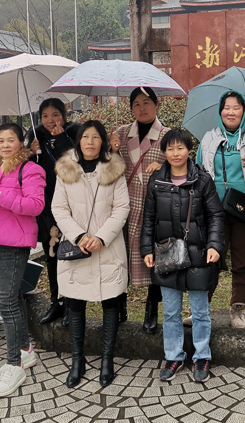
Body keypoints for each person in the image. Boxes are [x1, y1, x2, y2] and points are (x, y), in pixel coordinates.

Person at [140, 129, 225, 383]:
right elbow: (148, 219)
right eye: (170, 149)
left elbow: (216, 216)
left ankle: (202, 356)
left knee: (200, 311)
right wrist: (147, 249)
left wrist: (214, 245)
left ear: (189, 149)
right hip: (167, 254)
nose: (175, 153)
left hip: (199, 254)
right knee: (170, 312)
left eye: (180, 148)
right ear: (164, 152)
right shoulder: (157, 181)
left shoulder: (202, 180)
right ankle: (173, 356)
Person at [51, 120, 130, 388]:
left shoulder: (114, 170)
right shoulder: (66, 170)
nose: (90, 142)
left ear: (103, 141)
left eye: (96, 137)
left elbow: (122, 208)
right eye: (86, 136)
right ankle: (78, 360)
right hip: (77, 248)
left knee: (110, 302)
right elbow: (59, 208)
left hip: (108, 249)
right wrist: (79, 236)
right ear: (79, 140)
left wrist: (101, 237)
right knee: (75, 304)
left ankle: (107, 360)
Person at [0, 122, 46, 397]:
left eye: (10, 140)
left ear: (21, 142)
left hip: (14, 244)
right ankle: (25, 350)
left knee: (6, 302)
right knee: (12, 299)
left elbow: (36, 205)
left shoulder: (31, 169)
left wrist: (1, 197)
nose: (5, 145)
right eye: (0, 140)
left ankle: (14, 364)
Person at [197, 90, 245, 329]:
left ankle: (238, 307)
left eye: (236, 107)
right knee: (209, 259)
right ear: (220, 111)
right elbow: (198, 170)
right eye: (226, 107)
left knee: (243, 260)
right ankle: (200, 308)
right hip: (214, 210)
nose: (231, 112)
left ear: (244, 111)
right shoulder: (209, 138)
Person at [110, 87, 169, 333]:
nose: (141, 108)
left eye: (146, 102)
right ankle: (119, 303)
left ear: (156, 105)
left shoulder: (167, 135)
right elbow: (108, 169)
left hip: (153, 207)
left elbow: (180, 166)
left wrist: (163, 167)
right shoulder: (121, 133)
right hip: (123, 205)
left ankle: (151, 307)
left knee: (154, 256)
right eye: (136, 104)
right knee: (119, 255)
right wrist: (112, 150)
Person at [25, 98, 75, 328]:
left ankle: (72, 304)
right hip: (46, 208)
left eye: (55, 114)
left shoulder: (73, 133)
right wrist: (30, 152)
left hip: (70, 207)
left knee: (71, 256)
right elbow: (26, 169)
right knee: (52, 256)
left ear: (64, 115)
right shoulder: (35, 137)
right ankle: (56, 302)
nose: (50, 120)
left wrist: (62, 139)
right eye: (45, 116)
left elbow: (77, 163)